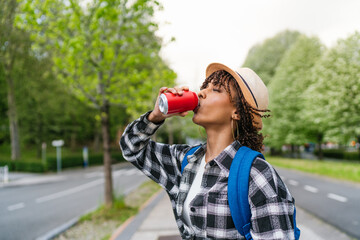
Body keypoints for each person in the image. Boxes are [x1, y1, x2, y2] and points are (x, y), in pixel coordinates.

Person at [120, 63, 297, 239]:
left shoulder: (256, 174)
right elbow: (131, 147)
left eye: (216, 89)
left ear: (237, 111)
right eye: (204, 87)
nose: (201, 93)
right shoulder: (185, 160)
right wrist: (155, 116)